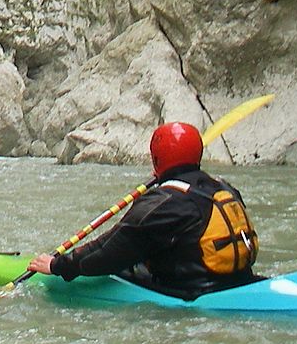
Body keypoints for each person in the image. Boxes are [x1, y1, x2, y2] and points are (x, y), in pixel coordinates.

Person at [26, 121, 260, 300]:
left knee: (125, 265)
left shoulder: (162, 202)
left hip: (192, 289)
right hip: (239, 280)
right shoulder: (223, 187)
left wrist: (58, 266)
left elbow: (110, 253)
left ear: (156, 160)